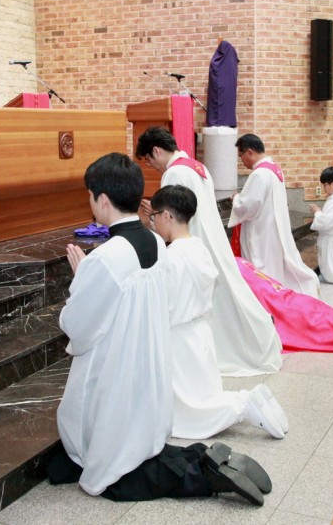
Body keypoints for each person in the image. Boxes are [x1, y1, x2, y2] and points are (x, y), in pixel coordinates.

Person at [47, 153, 272, 506]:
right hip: (148, 370)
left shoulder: (107, 257)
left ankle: (203, 476)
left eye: (90, 195)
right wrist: (89, 276)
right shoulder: (155, 242)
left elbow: (78, 326)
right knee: (132, 449)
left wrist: (83, 279)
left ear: (102, 200)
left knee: (115, 473)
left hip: (115, 373)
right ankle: (202, 458)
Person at [136, 127, 282, 376]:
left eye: (149, 160)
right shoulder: (197, 166)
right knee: (229, 296)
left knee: (212, 306)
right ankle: (253, 341)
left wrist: (152, 217)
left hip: (190, 245)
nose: (152, 166)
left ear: (157, 151)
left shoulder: (174, 173)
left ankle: (222, 351)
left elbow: (172, 219)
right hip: (210, 242)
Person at [149, 184, 288, 440]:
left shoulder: (172, 256)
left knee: (190, 410)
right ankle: (247, 401)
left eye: (154, 216)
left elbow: (165, 303)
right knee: (202, 393)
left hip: (179, 336)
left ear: (166, 215)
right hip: (200, 332)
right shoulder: (197, 246)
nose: (153, 222)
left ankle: (244, 403)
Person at [228, 134, 320, 297]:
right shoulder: (274, 169)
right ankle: (277, 295)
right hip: (272, 227)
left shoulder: (259, 174)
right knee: (274, 266)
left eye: (241, 156)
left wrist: (236, 198)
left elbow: (247, 206)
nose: (241, 161)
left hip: (262, 232)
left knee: (263, 267)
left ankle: (267, 297)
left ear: (250, 152)